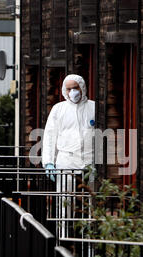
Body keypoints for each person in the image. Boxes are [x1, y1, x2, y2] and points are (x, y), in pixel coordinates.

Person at [42, 74, 95, 239]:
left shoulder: (94, 108)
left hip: (89, 163)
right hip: (66, 163)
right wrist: (49, 163)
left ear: (83, 88)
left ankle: (89, 244)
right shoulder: (59, 109)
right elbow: (50, 137)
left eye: (76, 88)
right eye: (69, 89)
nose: (73, 92)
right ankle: (63, 240)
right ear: (64, 90)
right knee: (64, 203)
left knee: (91, 206)